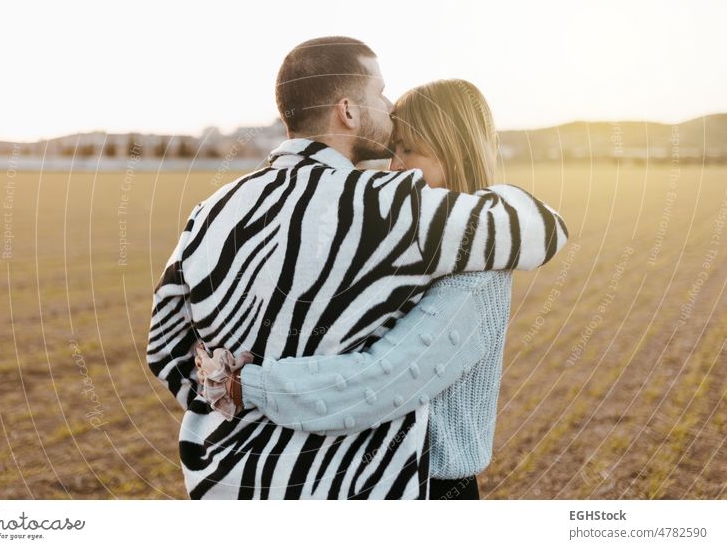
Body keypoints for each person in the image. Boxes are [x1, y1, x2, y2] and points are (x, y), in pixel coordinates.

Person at [147, 37, 568, 499]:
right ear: (348, 110)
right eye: (381, 93)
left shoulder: (210, 211)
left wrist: (225, 391)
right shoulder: (392, 208)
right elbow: (541, 230)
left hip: (227, 484)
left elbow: (165, 348)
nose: (389, 108)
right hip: (345, 484)